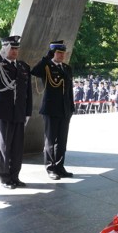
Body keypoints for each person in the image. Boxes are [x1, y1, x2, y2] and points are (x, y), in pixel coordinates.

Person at [0, 36, 33, 189]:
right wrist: (0, 54)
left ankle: (15, 176)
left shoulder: (23, 67)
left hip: (19, 111)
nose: (14, 51)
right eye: (11, 48)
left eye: (16, 48)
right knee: (4, 146)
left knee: (17, 147)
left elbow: (28, 92)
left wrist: (28, 111)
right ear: (5, 48)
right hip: (4, 111)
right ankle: (5, 177)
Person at [30, 40, 75, 180]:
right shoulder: (47, 67)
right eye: (58, 53)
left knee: (62, 141)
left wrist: (71, 107)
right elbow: (34, 71)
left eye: (63, 53)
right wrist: (46, 58)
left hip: (64, 109)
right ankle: (51, 168)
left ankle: (60, 166)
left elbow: (69, 90)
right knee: (50, 140)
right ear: (53, 53)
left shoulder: (67, 68)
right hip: (51, 109)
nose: (61, 55)